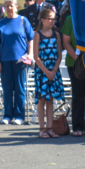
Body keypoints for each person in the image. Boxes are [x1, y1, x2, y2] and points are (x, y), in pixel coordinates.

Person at [0, 0, 34, 125]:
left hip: (20, 60)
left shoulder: (23, 20)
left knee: (20, 88)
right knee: (7, 89)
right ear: (4, 8)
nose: (9, 8)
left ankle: (19, 115)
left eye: (11, 5)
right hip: (5, 60)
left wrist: (30, 54)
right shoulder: (1, 23)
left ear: (16, 7)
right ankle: (7, 115)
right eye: (7, 5)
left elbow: (31, 39)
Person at [33, 8, 64, 138]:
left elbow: (59, 55)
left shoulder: (56, 35)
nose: (52, 21)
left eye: (53, 19)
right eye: (50, 19)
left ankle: (50, 128)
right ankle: (42, 129)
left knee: (50, 99)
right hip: (42, 71)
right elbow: (36, 56)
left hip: (53, 70)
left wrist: (54, 71)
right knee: (42, 99)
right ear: (43, 20)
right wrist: (46, 72)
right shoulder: (37, 35)